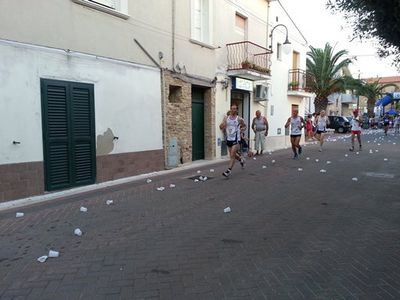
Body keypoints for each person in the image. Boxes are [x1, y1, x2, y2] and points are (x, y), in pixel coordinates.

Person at [219, 104, 246, 177]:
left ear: (237, 110)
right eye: (232, 108)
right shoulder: (226, 118)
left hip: (236, 139)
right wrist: (222, 126)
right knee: (233, 155)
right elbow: (221, 126)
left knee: (232, 155)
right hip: (228, 139)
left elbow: (244, 126)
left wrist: (241, 129)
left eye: (234, 109)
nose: (233, 110)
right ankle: (241, 160)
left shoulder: (239, 119)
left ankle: (228, 171)